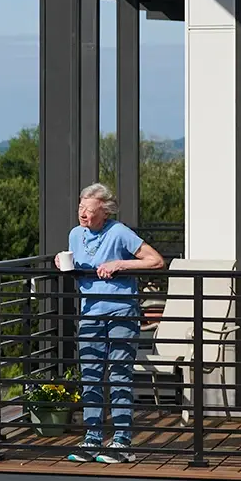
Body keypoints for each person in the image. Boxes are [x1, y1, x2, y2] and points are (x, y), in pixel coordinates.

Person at [62, 184, 164, 463]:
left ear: (104, 212)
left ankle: (122, 442)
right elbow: (82, 269)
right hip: (90, 313)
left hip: (121, 312)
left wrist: (121, 264)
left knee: (119, 374)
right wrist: (64, 265)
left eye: (89, 210)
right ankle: (92, 439)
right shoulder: (75, 235)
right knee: (90, 376)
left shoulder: (118, 232)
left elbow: (155, 261)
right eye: (81, 208)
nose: (83, 214)